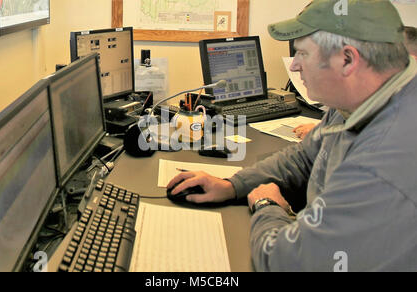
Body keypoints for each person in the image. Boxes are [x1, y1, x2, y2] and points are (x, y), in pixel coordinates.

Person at [167, 0, 417, 271]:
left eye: (303, 54)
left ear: (347, 60)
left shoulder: (383, 160)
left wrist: (267, 206)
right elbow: (303, 157)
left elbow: (287, 262)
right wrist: (233, 185)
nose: (295, 66)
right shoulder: (355, 102)